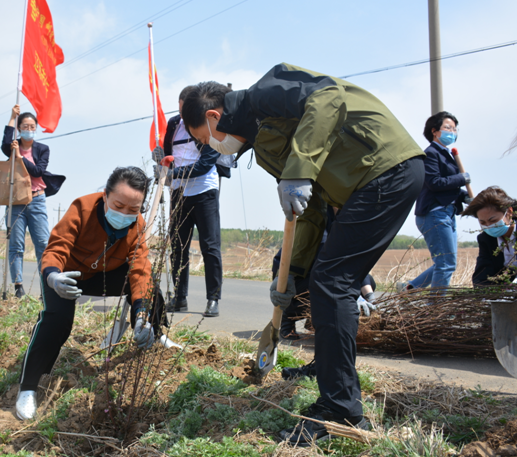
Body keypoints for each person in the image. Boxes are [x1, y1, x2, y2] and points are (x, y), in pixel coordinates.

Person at [182, 64, 425, 447]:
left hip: (384, 168)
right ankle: (326, 370)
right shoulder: (261, 150)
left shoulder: (267, 91)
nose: (212, 146)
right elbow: (307, 212)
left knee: (334, 283)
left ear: (214, 117)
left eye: (205, 139)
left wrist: (299, 169)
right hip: (361, 186)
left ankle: (340, 408)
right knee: (319, 278)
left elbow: (329, 97)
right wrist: (292, 274)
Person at [16, 166, 168, 421]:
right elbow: (56, 248)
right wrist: (53, 276)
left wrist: (142, 314)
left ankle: (155, 332)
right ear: (105, 195)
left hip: (105, 275)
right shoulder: (82, 209)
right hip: (67, 276)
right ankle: (28, 387)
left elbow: (139, 270)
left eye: (133, 209)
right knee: (58, 321)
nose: (124, 214)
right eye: (118, 205)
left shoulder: (137, 226)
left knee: (149, 284)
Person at [154, 85, 223, 317]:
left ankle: (213, 299)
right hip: (178, 192)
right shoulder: (174, 124)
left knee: (210, 247)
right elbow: (168, 157)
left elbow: (205, 164)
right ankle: (179, 297)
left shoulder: (208, 126)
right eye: (181, 110)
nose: (184, 116)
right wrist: (161, 159)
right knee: (178, 247)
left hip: (204, 192)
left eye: (187, 111)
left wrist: (177, 173)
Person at [272, 205, 378, 341]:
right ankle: (289, 317)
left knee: (368, 281)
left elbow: (354, 265)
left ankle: (314, 319)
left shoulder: (346, 223)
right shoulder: (318, 221)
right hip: (294, 279)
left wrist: (369, 297)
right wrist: (354, 295)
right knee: (323, 283)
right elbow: (329, 268)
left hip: (322, 274)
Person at [0, 105, 66, 299]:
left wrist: (19, 158)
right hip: (15, 200)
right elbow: (5, 140)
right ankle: (18, 288)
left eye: (32, 126)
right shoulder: (12, 146)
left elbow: (37, 172)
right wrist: (11, 117)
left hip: (36, 200)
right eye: (25, 126)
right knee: (16, 245)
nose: (29, 129)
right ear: (19, 128)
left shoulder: (42, 149)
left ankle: (46, 288)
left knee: (43, 244)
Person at [397, 112, 470, 293]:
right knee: (446, 264)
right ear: (435, 131)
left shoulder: (446, 154)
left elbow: (448, 187)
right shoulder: (430, 154)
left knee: (445, 263)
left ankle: (409, 288)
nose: (452, 132)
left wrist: (464, 196)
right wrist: (461, 179)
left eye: (454, 129)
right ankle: (435, 309)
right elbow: (434, 183)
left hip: (447, 213)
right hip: (434, 214)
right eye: (447, 128)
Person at [461, 187, 517, 286]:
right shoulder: (485, 239)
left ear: (509, 212)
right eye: (483, 222)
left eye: (493, 221)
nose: (488, 226)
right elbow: (482, 275)